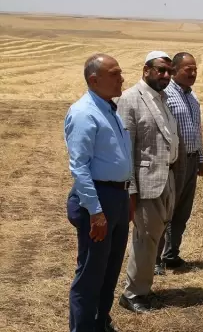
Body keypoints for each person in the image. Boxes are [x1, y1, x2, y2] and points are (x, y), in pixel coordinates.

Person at [64, 53, 133, 332]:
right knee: (91, 273)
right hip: (98, 199)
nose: (122, 78)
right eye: (115, 74)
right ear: (94, 79)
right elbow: (79, 167)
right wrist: (96, 212)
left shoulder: (108, 109)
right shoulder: (84, 113)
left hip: (117, 197)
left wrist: (128, 197)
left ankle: (101, 322)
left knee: (111, 269)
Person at [116, 50, 180, 313]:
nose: (166, 75)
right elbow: (125, 150)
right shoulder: (131, 99)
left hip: (166, 178)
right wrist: (130, 189)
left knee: (153, 237)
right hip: (145, 183)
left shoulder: (163, 98)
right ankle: (132, 295)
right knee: (144, 238)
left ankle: (143, 287)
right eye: (160, 70)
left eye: (169, 72)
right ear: (146, 70)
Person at [154, 52, 203, 275]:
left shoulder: (192, 97)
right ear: (174, 71)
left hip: (192, 159)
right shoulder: (165, 95)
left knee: (183, 211)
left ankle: (171, 254)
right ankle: (154, 259)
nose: (193, 73)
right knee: (165, 210)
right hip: (173, 161)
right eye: (188, 69)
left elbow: (196, 130)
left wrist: (201, 159)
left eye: (195, 69)